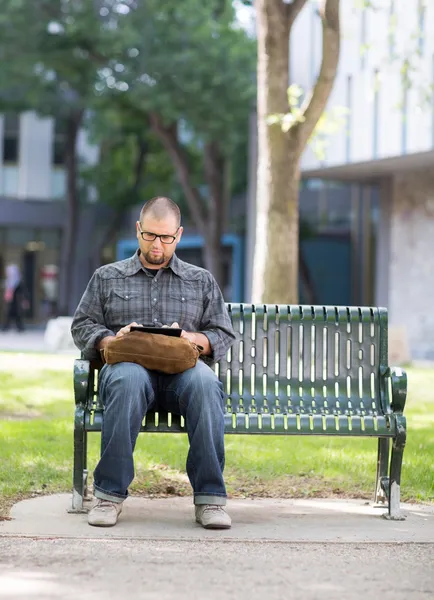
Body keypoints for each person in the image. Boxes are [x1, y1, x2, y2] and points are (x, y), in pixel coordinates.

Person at [71, 197, 236, 529]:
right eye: (150, 236)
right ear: (137, 230)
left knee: (205, 383)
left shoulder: (200, 280)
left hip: (184, 375)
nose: (157, 244)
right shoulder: (107, 277)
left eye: (166, 237)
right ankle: (108, 496)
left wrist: (192, 338)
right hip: (128, 372)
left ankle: (210, 500)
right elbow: (82, 326)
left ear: (179, 234)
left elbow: (222, 333)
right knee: (127, 379)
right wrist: (111, 340)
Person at [2, 264, 27, 332]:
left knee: (16, 315)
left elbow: (22, 292)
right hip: (10, 301)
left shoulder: (18, 282)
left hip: (17, 301)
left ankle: (19, 327)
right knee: (10, 314)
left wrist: (23, 300)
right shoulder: (8, 281)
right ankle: (7, 327)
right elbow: (7, 292)